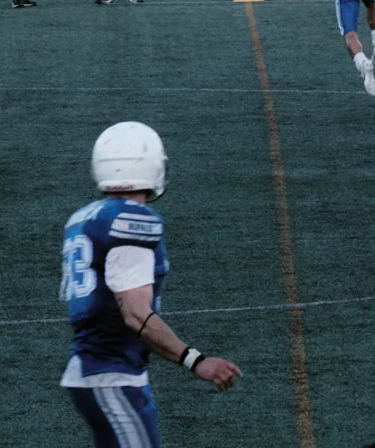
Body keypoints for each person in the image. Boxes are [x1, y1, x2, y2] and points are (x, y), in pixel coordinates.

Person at [60, 121, 241, 447]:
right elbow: (135, 314)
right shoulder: (133, 221)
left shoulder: (82, 217)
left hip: (95, 371)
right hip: (111, 374)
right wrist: (196, 361)